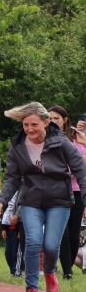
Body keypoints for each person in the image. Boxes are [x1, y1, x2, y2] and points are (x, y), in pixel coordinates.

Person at [0, 102, 86, 292]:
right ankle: (31, 289)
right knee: (33, 242)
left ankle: (50, 272)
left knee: (51, 246)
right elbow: (12, 179)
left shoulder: (61, 142)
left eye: (34, 124)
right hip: (31, 200)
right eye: (26, 125)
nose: (29, 129)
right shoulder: (18, 146)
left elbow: (80, 170)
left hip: (59, 199)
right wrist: (0, 201)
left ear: (46, 122)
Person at [49, 106, 86, 279]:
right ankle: (67, 271)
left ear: (64, 120)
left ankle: (68, 265)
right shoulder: (45, 138)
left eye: (56, 118)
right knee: (62, 230)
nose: (52, 121)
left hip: (77, 190)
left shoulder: (76, 138)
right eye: (49, 118)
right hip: (57, 190)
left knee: (74, 231)